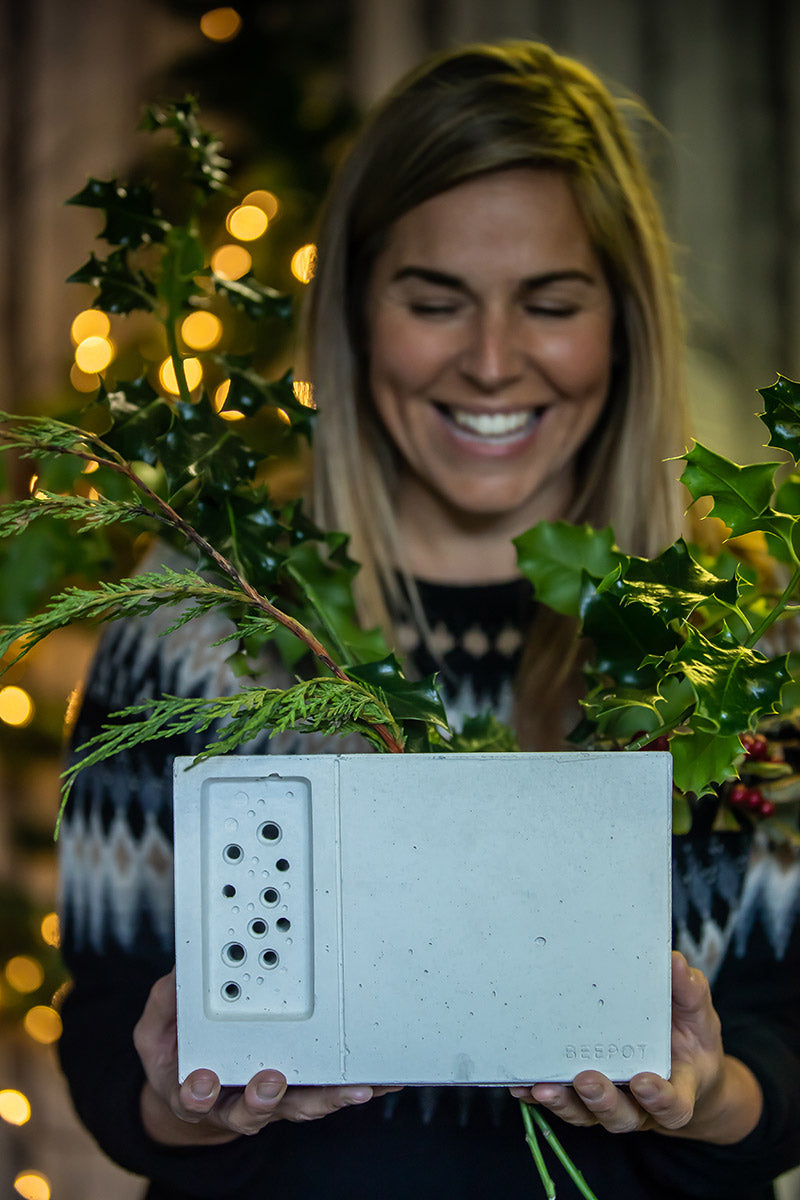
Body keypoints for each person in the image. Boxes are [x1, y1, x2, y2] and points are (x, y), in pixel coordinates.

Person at [57, 40, 800, 1200]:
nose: (492, 362)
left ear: (622, 321)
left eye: (549, 303)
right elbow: (111, 1048)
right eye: (433, 300)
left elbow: (786, 1041)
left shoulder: (738, 640)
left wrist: (711, 1095)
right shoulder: (198, 622)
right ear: (354, 308)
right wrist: (179, 1093)